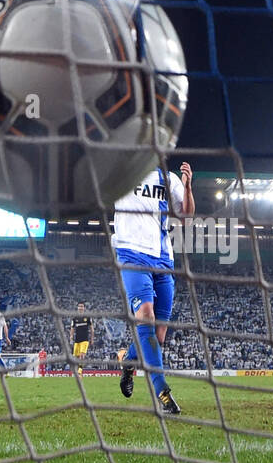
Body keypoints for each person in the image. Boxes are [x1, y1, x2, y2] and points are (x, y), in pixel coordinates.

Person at [113, 162, 194, 414]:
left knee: (158, 336)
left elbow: (187, 216)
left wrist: (188, 186)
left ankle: (128, 363)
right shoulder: (123, 171)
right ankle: (163, 393)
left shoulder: (168, 179)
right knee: (145, 316)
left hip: (162, 259)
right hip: (131, 255)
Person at [70, 303, 93, 376]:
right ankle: (77, 370)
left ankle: (80, 370)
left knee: (82, 355)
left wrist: (92, 338)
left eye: (82, 306)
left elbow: (92, 328)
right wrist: (71, 336)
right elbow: (72, 328)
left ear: (84, 308)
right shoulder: (74, 318)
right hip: (77, 340)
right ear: (77, 308)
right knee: (75, 356)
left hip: (85, 339)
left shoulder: (87, 317)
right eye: (79, 306)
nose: (80, 308)